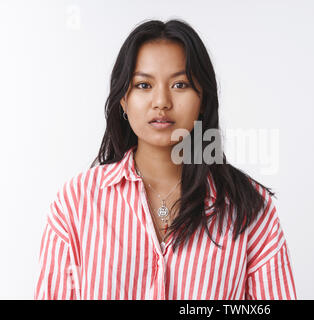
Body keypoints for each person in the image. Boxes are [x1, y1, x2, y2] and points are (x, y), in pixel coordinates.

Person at [34, 18, 297, 300]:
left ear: (203, 99)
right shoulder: (76, 203)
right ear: (124, 99)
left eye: (180, 84)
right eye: (144, 85)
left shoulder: (249, 207)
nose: (161, 101)